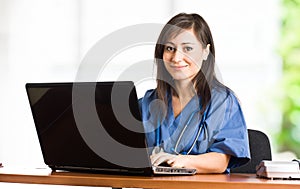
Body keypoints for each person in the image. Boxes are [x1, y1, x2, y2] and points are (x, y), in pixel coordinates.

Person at [138, 13, 251, 173]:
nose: (176, 58)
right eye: (170, 48)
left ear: (205, 52)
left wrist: (183, 160)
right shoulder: (147, 102)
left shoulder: (223, 102)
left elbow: (221, 161)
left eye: (188, 48)